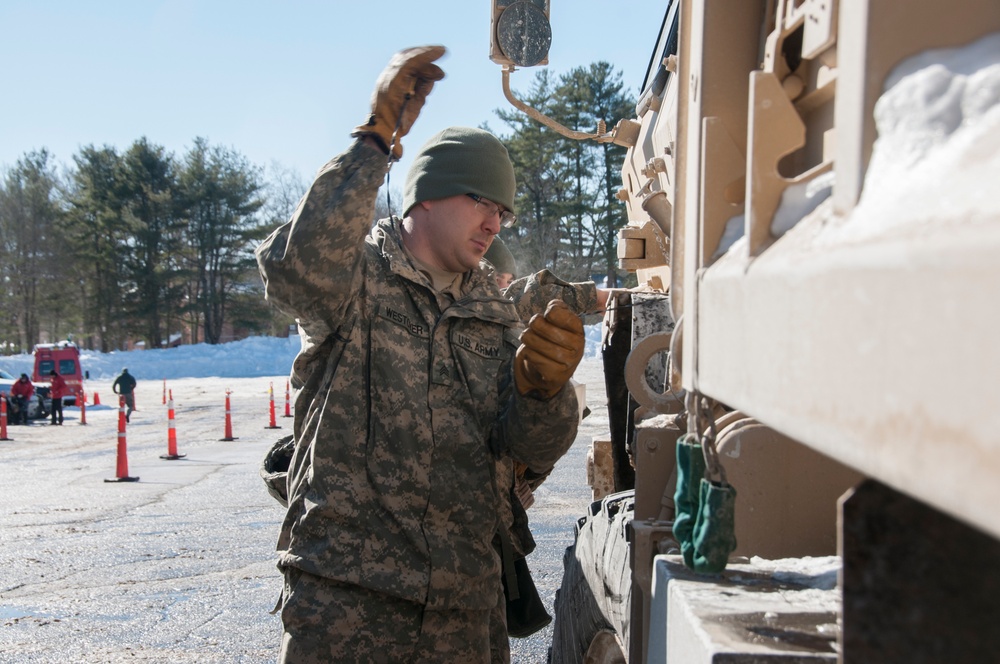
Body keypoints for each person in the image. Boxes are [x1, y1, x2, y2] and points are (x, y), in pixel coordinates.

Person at [255, 45, 586, 663]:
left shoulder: (498, 310)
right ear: (427, 197)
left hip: (466, 605)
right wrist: (374, 144)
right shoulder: (355, 281)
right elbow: (298, 271)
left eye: (504, 211)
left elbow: (530, 451)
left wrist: (546, 394)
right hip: (348, 604)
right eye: (482, 202)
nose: (495, 223)